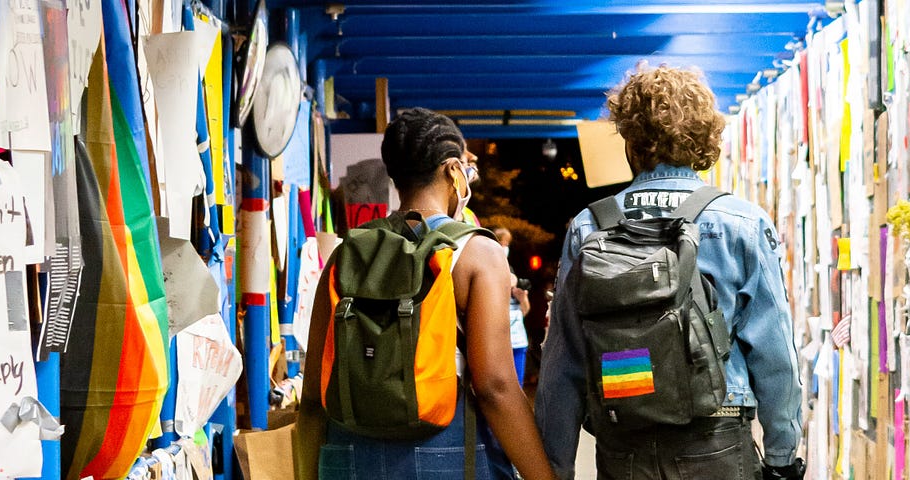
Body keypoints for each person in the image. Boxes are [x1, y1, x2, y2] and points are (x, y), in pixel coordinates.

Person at [536, 66, 806, 479]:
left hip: (623, 444)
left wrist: (555, 467)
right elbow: (775, 357)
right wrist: (782, 457)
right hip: (717, 437)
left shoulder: (589, 227)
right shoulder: (741, 222)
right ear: (704, 136)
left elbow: (564, 364)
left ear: (629, 140)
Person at [295, 108, 556, 480]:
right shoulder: (477, 253)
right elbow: (494, 387)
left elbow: (312, 400)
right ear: (453, 170)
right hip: (448, 459)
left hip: (348, 461)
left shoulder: (346, 255)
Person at [491, 227, 532, 383]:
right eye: (501, 243)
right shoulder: (487, 271)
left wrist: (522, 299)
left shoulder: (512, 270)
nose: (505, 247)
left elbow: (525, 311)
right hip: (498, 341)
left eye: (507, 243)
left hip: (518, 339)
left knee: (517, 383)